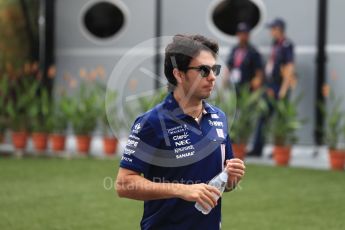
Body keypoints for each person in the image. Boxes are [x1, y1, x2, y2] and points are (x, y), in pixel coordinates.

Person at [116, 34, 246, 230]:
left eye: (214, 69)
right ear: (179, 74)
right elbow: (124, 184)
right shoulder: (152, 122)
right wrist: (182, 190)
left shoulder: (218, 118)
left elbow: (221, 185)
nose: (212, 77)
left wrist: (232, 178)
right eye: (203, 70)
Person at [248, 18, 296, 157]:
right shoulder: (276, 44)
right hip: (270, 86)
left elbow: (289, 68)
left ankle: (279, 150)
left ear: (278, 29)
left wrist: (283, 90)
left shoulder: (287, 45)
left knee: (280, 119)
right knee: (263, 116)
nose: (270, 32)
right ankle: (258, 149)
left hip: (279, 87)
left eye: (272, 29)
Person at [223, 22, 263, 91]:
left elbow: (259, 71)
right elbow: (229, 66)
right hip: (234, 85)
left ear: (248, 35)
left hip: (247, 87)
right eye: (240, 33)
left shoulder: (253, 51)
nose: (242, 36)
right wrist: (224, 80)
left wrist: (258, 80)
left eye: (245, 34)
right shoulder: (234, 49)